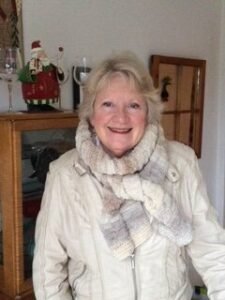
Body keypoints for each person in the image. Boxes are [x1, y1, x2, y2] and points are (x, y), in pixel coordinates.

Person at [33, 52, 225, 300]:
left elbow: (211, 249)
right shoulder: (64, 175)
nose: (121, 117)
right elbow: (48, 272)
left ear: (148, 112)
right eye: (108, 104)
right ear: (91, 114)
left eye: (133, 105)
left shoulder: (181, 163)